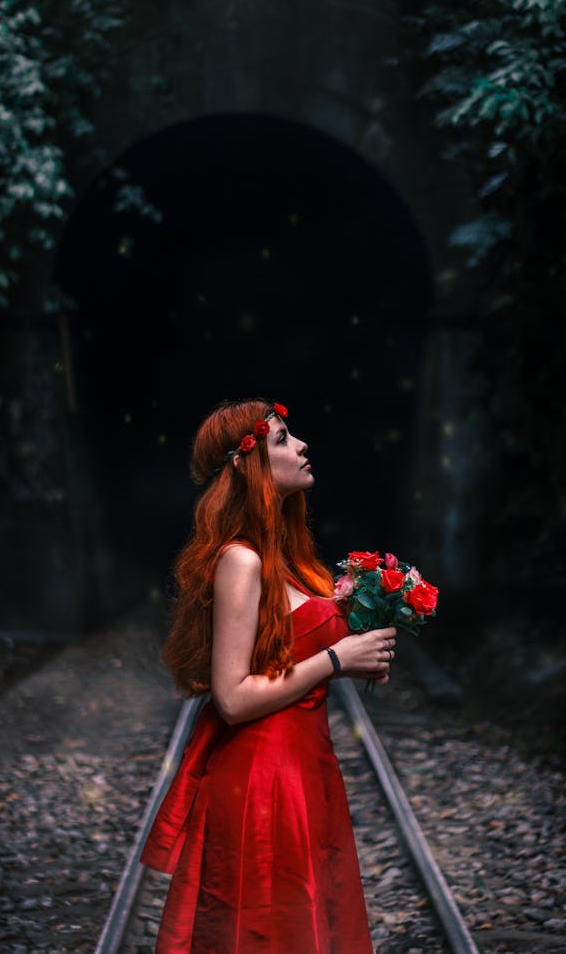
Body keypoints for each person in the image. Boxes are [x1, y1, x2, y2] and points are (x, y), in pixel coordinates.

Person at [141, 398, 397, 953]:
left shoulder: (285, 556)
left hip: (304, 774)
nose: (301, 445)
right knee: (265, 934)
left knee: (301, 929)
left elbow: (291, 654)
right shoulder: (242, 561)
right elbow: (231, 698)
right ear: (246, 463)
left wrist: (369, 647)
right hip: (262, 781)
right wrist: (336, 661)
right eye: (282, 438)